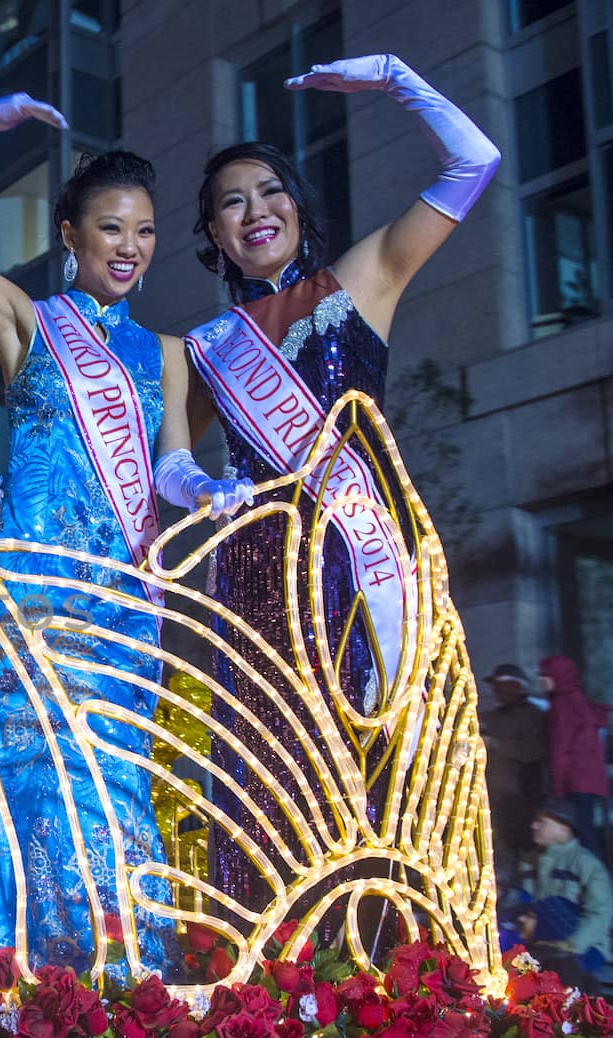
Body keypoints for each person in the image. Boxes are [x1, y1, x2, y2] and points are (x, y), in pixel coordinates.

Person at [0, 94, 250, 976]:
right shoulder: (27, 320)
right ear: (71, 233)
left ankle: (121, 959)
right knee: (36, 758)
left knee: (115, 771)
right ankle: (19, 956)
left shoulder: (164, 352)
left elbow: (168, 465)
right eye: (109, 228)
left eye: (143, 230)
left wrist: (205, 489)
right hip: (41, 588)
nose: (128, 247)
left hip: (127, 591)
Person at [183, 55, 499, 906]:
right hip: (256, 580)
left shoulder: (357, 284)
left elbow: (476, 164)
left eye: (270, 190)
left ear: (297, 206)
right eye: (232, 201)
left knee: (375, 762)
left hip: (360, 568)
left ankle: (380, 982)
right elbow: (152, 470)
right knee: (265, 773)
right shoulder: (205, 349)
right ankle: (262, 980)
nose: (255, 210)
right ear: (213, 233)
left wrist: (399, 79)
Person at [504, 808, 613, 993]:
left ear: (564, 829)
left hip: (579, 951)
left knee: (565, 1003)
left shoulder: (585, 864)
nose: (534, 826)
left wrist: (572, 945)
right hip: (538, 948)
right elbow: (517, 902)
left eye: (543, 822)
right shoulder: (528, 862)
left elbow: (600, 912)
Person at [540, 654, 611, 860]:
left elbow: (560, 748)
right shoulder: (577, 700)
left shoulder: (563, 704)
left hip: (575, 778)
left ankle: (590, 881)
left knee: (579, 833)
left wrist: (558, 786)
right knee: (585, 831)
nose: (542, 680)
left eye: (547, 676)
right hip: (588, 779)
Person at [480, 662, 548, 871]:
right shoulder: (493, 716)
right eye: (496, 685)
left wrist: (496, 744)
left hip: (520, 794)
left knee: (522, 844)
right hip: (495, 793)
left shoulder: (532, 715)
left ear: (517, 686)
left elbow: (533, 751)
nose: (498, 690)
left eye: (504, 685)